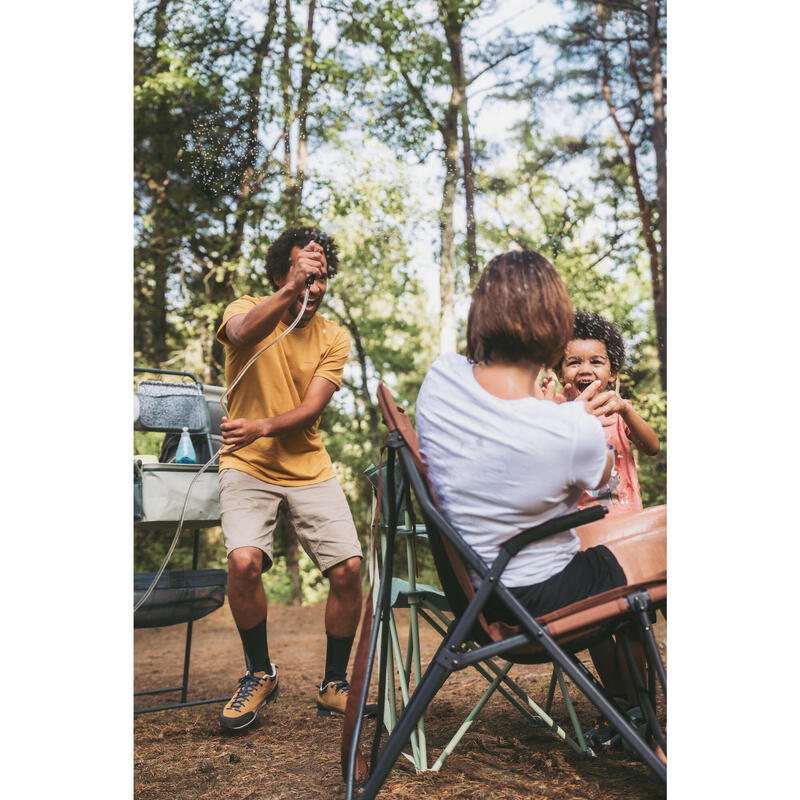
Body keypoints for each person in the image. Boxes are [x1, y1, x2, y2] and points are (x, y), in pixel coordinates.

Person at [416, 249, 665, 749]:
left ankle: (636, 713)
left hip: (487, 588)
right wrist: (575, 418)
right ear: (555, 330)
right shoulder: (568, 429)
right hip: (545, 594)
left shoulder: (440, 379)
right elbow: (597, 484)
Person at [214, 227, 363, 731]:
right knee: (244, 562)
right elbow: (239, 336)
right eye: (304, 275)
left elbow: (309, 409)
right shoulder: (245, 307)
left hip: (308, 467)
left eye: (320, 278)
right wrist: (288, 291)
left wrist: (259, 425)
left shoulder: (333, 338)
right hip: (246, 462)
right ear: (280, 274)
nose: (314, 288)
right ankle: (260, 674)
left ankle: (334, 684)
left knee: (348, 571)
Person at [556, 311, 659, 514]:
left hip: (627, 520)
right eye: (574, 362)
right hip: (582, 525)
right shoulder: (559, 414)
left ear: (612, 373)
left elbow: (652, 447)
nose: (585, 369)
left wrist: (626, 411)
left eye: (596, 362)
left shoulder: (619, 410)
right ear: (560, 373)